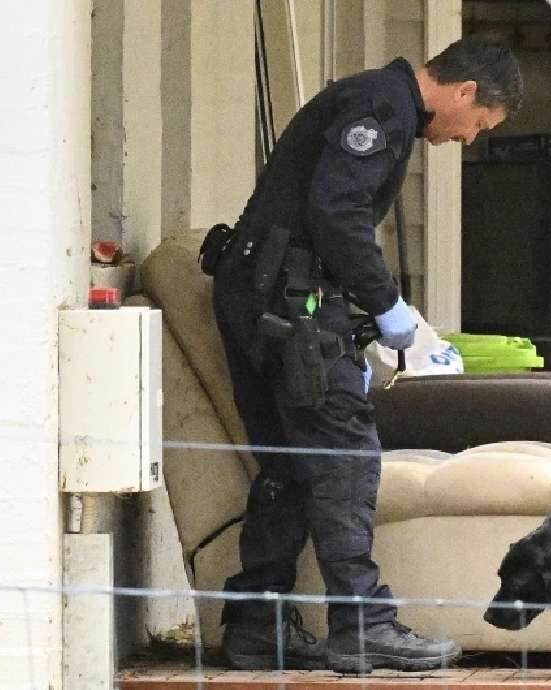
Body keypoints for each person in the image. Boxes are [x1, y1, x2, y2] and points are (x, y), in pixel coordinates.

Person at [206, 37, 522, 672]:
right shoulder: (381, 108)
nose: (469, 139)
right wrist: (385, 303)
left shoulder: (376, 100)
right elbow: (338, 211)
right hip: (291, 306)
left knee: (289, 463)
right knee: (345, 455)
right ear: (464, 92)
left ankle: (257, 624)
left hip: (258, 295)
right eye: (479, 124)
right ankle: (363, 623)